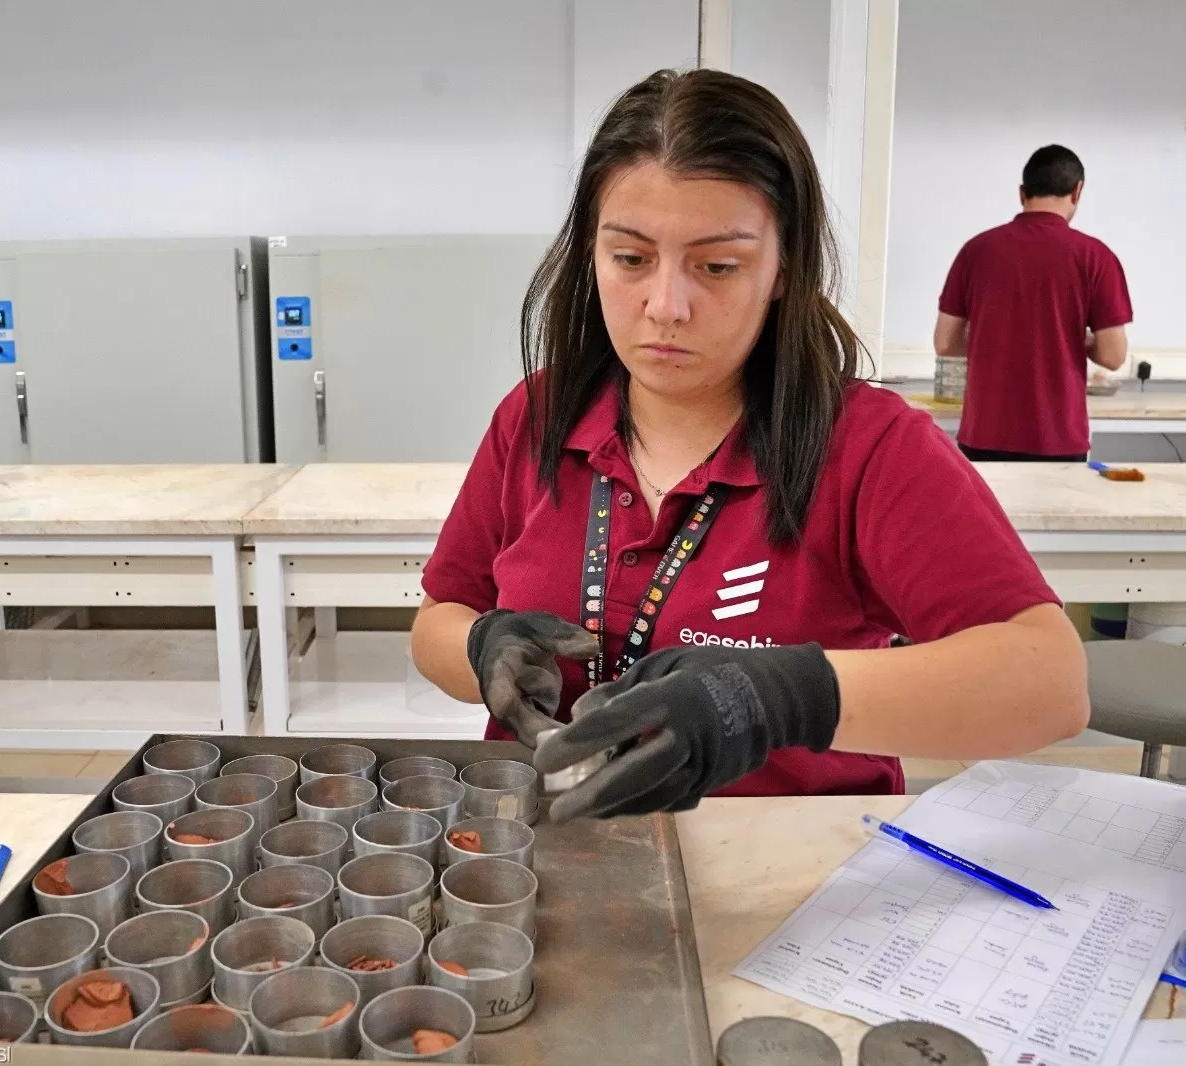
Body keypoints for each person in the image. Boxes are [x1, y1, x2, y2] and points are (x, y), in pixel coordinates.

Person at [410, 70, 1088, 823]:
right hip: (550, 857)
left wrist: (775, 698)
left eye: (718, 266)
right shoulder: (537, 416)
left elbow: (1050, 683)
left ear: (781, 268)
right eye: (631, 259)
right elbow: (439, 615)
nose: (665, 306)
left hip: (785, 881)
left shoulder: (866, 447)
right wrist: (481, 648)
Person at [933, 145, 1134, 462]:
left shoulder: (977, 250)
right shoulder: (1096, 257)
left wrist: (995, 337)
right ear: (1077, 191)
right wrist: (1077, 339)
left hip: (984, 435)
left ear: (1022, 192)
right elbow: (1112, 356)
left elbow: (945, 343)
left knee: (987, 514)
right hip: (1059, 439)